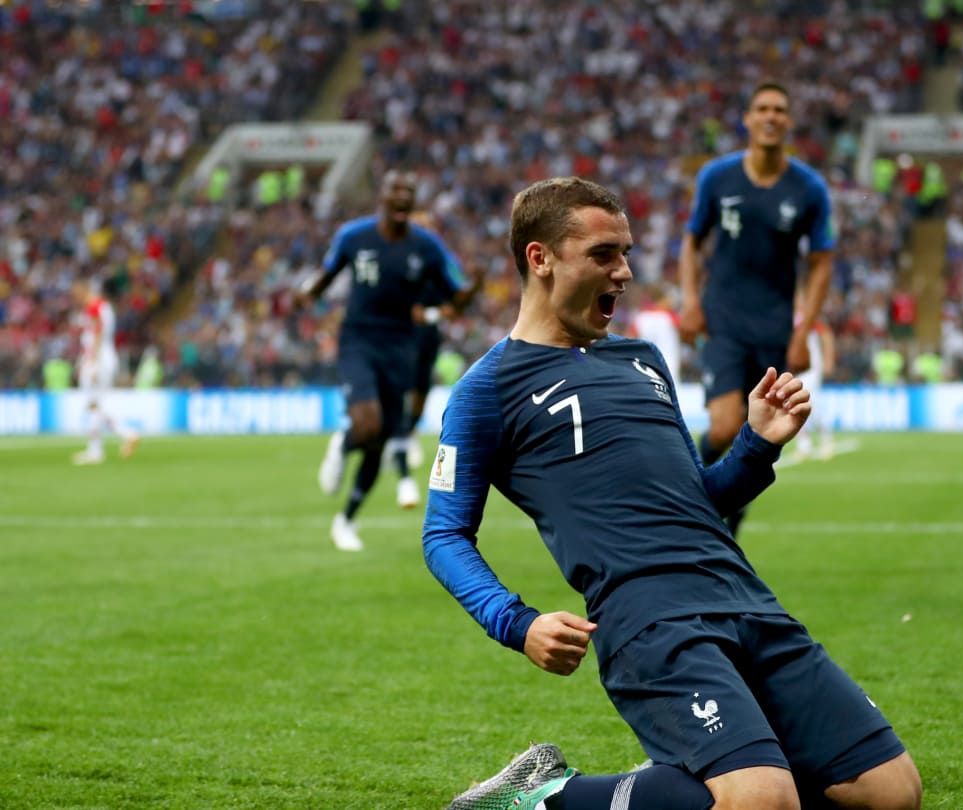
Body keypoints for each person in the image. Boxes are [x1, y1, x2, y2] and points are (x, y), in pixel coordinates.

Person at [424, 177, 920, 810]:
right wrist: (517, 623)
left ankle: (693, 780)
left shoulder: (644, 360)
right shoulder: (486, 389)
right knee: (763, 800)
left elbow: (696, 499)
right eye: (603, 254)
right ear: (540, 258)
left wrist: (757, 444)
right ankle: (546, 797)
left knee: (892, 793)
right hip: (649, 619)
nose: (625, 271)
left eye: (625, 252)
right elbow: (443, 535)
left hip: (745, 596)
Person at [679, 80, 835, 537]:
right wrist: (690, 301)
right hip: (724, 319)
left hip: (774, 327)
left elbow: (822, 262)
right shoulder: (717, 177)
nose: (771, 116)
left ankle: (729, 526)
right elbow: (691, 242)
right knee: (724, 427)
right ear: (748, 119)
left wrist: (803, 332)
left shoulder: (809, 188)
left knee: (759, 431)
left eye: (779, 110)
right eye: (763, 108)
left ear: (788, 122)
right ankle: (693, 503)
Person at [298, 169, 473, 552]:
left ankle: (346, 521)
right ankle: (344, 443)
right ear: (383, 195)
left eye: (410, 190)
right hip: (358, 340)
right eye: (397, 189)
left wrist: (468, 292)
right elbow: (326, 274)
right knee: (368, 424)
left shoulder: (427, 246)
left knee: (380, 442)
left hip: (400, 348)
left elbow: (456, 294)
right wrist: (306, 294)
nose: (403, 195)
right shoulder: (353, 236)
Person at [385, 209, 467, 491]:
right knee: (402, 388)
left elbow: (454, 302)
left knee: (421, 392)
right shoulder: (398, 260)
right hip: (401, 334)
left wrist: (439, 311)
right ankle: (397, 440)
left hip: (428, 334)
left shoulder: (439, 262)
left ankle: (407, 434)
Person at [71, 276, 139, 465]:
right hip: (107, 357)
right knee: (96, 404)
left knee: (93, 405)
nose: (74, 297)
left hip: (98, 359)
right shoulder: (106, 307)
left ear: (83, 290)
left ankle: (123, 434)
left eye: (75, 292)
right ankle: (97, 449)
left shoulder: (93, 307)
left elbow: (97, 334)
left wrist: (93, 362)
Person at [791, 292, 836, 462]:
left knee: (812, 404)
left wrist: (829, 359)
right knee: (793, 405)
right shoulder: (787, 318)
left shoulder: (809, 317)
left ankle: (826, 439)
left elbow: (826, 336)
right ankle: (804, 445)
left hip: (812, 368)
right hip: (794, 369)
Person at [631, 283, 683, 380]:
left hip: (645, 365)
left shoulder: (641, 317)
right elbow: (686, 334)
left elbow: (630, 339)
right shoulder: (671, 317)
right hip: (669, 366)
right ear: (663, 298)